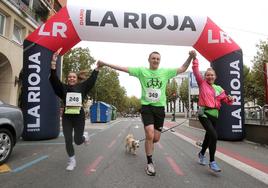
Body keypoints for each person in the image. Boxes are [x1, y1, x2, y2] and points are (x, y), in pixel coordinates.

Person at [97, 50, 196, 176]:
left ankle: (149, 146)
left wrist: (190, 57)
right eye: (153, 58)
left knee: (155, 138)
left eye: (157, 59)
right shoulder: (141, 71)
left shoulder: (165, 72)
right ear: (149, 60)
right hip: (147, 107)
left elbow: (183, 68)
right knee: (149, 134)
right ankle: (149, 163)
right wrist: (105, 63)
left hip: (159, 109)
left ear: (159, 61)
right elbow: (123, 68)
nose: (155, 60)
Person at [49, 48, 100, 171]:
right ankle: (72, 160)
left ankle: (84, 136)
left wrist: (97, 68)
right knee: (67, 139)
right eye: (69, 77)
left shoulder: (82, 87)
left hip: (79, 117)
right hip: (67, 116)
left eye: (73, 77)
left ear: (76, 79)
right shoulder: (63, 88)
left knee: (77, 141)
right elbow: (54, 80)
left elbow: (91, 81)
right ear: (67, 79)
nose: (71, 78)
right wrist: (53, 63)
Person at [192, 56, 233, 172]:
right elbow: (195, 71)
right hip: (204, 114)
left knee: (208, 136)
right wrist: (194, 59)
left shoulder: (219, 88)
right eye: (207, 75)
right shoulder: (202, 84)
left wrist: (230, 98)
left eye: (212, 75)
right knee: (214, 136)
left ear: (215, 77)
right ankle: (212, 161)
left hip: (215, 116)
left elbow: (226, 100)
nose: (210, 76)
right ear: (205, 77)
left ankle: (201, 154)